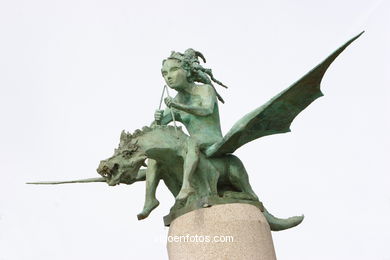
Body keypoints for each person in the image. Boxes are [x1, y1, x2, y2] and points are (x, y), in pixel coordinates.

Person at [154, 49, 227, 201]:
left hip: (212, 139)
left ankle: (187, 186)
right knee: (155, 154)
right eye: (164, 73)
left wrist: (179, 107)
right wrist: (157, 120)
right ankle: (150, 200)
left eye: (174, 70)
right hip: (193, 146)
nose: (168, 77)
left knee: (190, 142)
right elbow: (155, 130)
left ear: (187, 71)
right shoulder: (175, 101)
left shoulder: (205, 90)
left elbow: (206, 110)